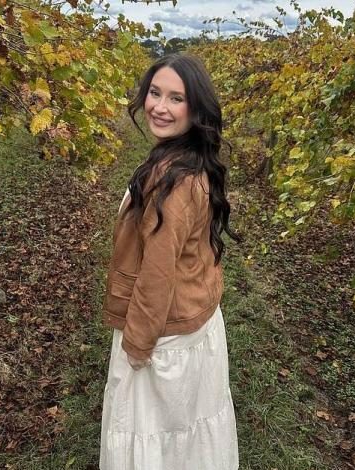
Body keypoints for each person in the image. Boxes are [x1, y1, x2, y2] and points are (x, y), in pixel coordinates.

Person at [99, 53, 240, 470]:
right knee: (187, 434)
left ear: (195, 109)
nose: (160, 106)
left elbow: (157, 274)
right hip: (191, 323)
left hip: (163, 336)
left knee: (152, 434)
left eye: (176, 98)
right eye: (155, 93)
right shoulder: (186, 161)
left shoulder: (174, 182)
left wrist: (137, 346)